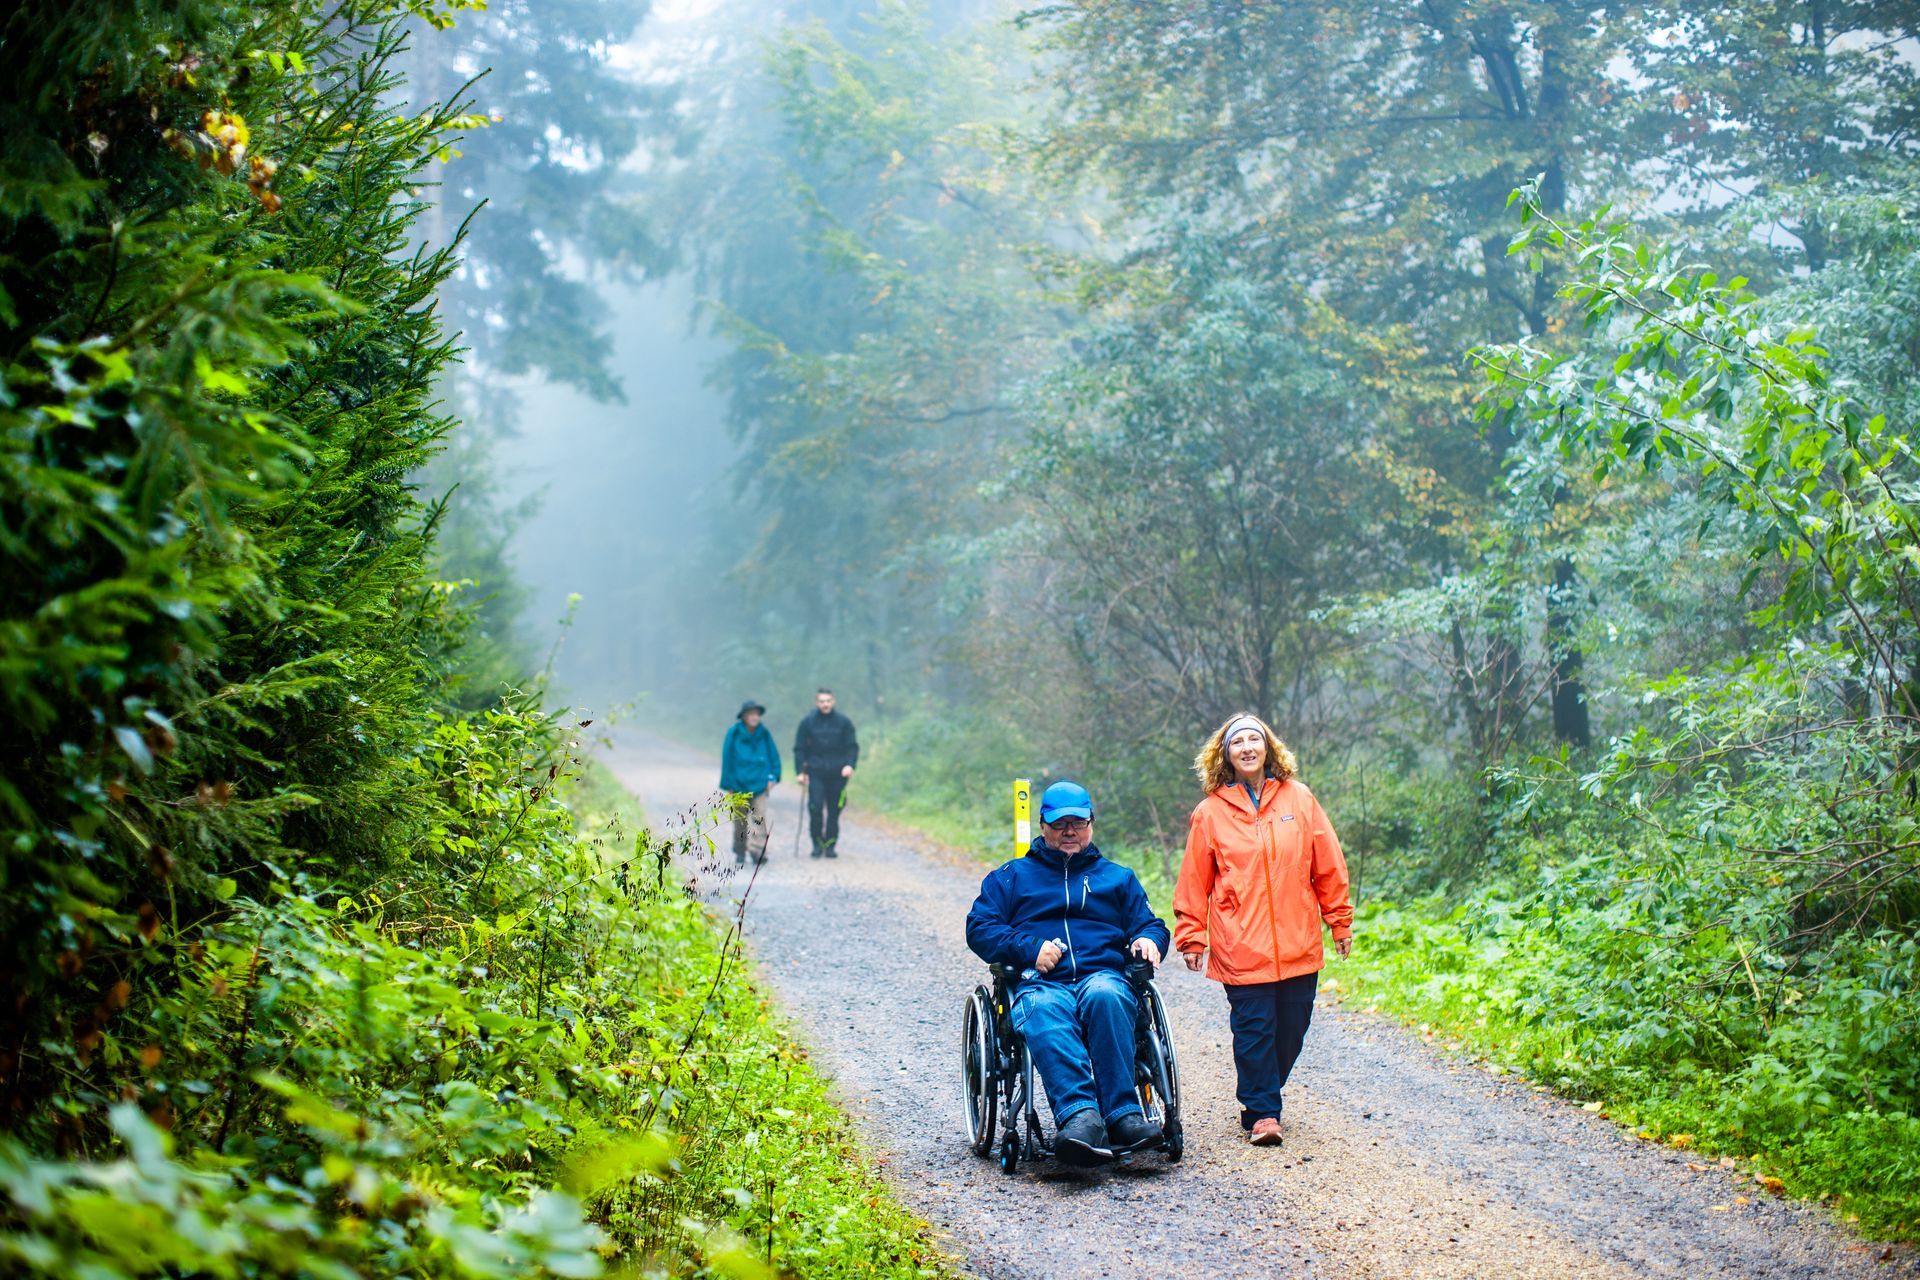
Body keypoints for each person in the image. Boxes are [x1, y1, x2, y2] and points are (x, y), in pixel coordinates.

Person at [965, 780, 1171, 1167]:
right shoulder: (1011, 877)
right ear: (1043, 826)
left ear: (1091, 823)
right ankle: (1080, 1117)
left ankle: (1123, 1115)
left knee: (1107, 996)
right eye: (1060, 824)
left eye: (1078, 823)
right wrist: (1029, 947)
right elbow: (979, 928)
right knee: (1045, 1009)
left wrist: (1148, 939)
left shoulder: (1118, 878)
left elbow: (1151, 924)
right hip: (1041, 983)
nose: (1069, 831)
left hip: (1102, 976)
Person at [1173, 712, 1352, 1147]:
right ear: (1226, 755)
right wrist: (1192, 935)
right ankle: (1264, 1113)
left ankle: (1262, 1092)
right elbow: (1195, 880)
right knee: (1254, 1030)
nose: (1247, 747)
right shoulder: (1210, 812)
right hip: (1240, 942)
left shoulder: (1299, 799)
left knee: (1291, 1030)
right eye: (1238, 742)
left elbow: (1328, 864)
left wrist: (1339, 920)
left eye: (1254, 739)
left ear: (1268, 747)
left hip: (1298, 940)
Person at [793, 688, 858, 858]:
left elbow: (852, 747)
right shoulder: (807, 722)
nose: (825, 704)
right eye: (822, 701)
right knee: (815, 808)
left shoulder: (844, 722)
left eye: (828, 701)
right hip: (816, 772)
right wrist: (800, 771)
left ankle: (830, 845)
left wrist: (850, 765)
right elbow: (799, 748)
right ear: (817, 703)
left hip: (838, 773)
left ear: (833, 701)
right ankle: (817, 843)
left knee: (834, 810)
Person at [719, 699, 781, 867]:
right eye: (751, 714)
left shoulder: (764, 734)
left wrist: (773, 777)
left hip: (760, 784)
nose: (755, 717)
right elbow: (727, 759)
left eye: (757, 714)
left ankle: (757, 851)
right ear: (744, 716)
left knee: (759, 818)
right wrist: (728, 784)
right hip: (738, 785)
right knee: (740, 821)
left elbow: (774, 757)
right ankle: (740, 850)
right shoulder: (734, 733)